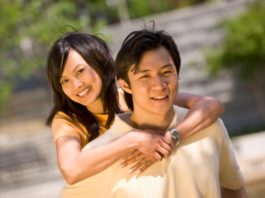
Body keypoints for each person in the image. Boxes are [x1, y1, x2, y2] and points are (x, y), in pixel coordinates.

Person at [46, 32, 224, 196]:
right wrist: (134, 139)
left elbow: (211, 105)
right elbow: (71, 169)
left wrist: (173, 137)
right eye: (65, 80)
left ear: (99, 63)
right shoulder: (67, 120)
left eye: (80, 71)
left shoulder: (130, 95)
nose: (76, 85)